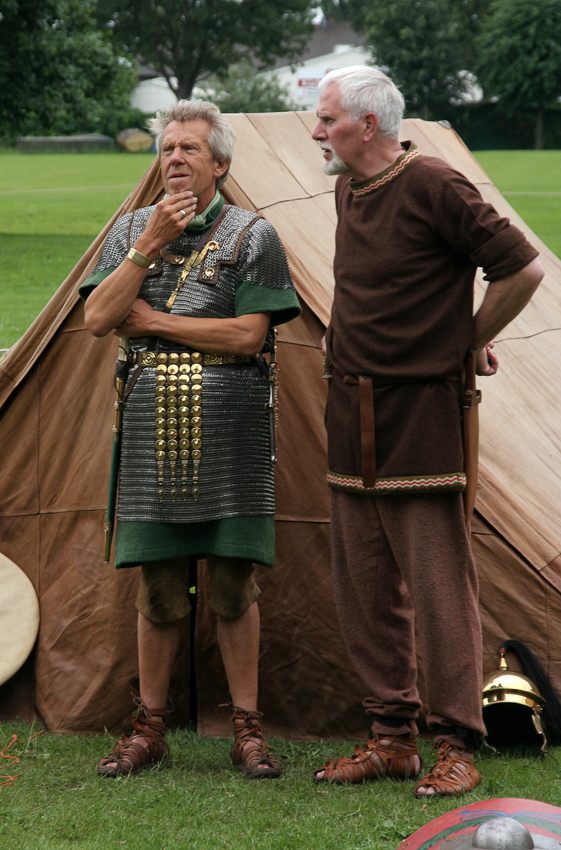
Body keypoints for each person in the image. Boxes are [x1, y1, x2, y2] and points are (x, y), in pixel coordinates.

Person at [310, 66, 544, 796]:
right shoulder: (347, 188)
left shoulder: (435, 184)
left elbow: (521, 270)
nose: (315, 131)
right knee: (364, 586)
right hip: (350, 413)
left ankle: (455, 744)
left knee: (438, 588)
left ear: (368, 125)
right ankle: (390, 738)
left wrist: (466, 341)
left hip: (422, 418)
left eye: (326, 120)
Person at [80, 100, 301, 779]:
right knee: (159, 590)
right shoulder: (128, 232)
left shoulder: (250, 236)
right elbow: (97, 317)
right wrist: (145, 248)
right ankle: (150, 727)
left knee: (234, 587)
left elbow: (247, 337)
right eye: (167, 148)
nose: (174, 159)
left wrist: (152, 319)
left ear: (220, 164)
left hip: (230, 438)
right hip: (152, 440)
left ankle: (246, 728)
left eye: (189, 150)